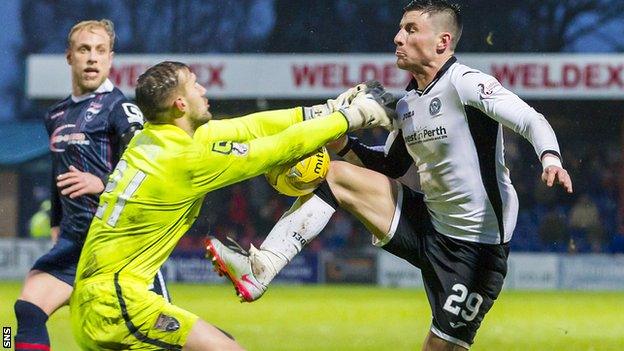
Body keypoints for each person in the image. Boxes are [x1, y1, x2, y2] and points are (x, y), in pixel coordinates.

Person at [208, 1, 573, 350]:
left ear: (442, 42)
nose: (398, 37)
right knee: (338, 175)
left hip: (475, 249)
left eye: (411, 29)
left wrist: (550, 157)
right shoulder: (408, 102)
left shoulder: (466, 83)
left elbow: (528, 118)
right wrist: (343, 143)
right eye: (400, 28)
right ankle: (260, 269)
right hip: (427, 222)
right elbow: (394, 167)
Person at [69, 60, 394, 350]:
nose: (203, 88)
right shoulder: (185, 159)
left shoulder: (154, 138)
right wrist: (351, 117)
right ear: (180, 103)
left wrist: (319, 112)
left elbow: (249, 127)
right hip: (115, 305)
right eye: (195, 84)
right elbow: (276, 149)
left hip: (99, 300)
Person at [13, 19, 169, 351]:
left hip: (118, 242)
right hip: (73, 243)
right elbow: (59, 177)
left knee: (158, 336)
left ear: (111, 59)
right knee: (26, 311)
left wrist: (101, 183)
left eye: (100, 51)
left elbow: (149, 172)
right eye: (84, 49)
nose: (92, 58)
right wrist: (57, 223)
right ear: (69, 57)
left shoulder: (120, 109)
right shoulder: (55, 114)